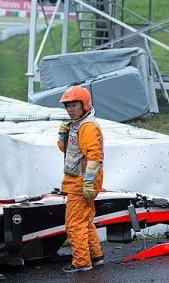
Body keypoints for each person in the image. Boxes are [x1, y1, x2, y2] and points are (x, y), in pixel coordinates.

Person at [57, 86, 104, 273]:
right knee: (85, 221)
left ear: (84, 105)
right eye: (67, 106)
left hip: (81, 182)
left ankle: (82, 262)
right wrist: (63, 136)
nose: (70, 109)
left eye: (74, 105)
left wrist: (88, 181)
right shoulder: (78, 124)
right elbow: (68, 151)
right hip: (80, 180)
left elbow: (94, 156)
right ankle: (96, 256)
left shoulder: (87, 127)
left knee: (74, 224)